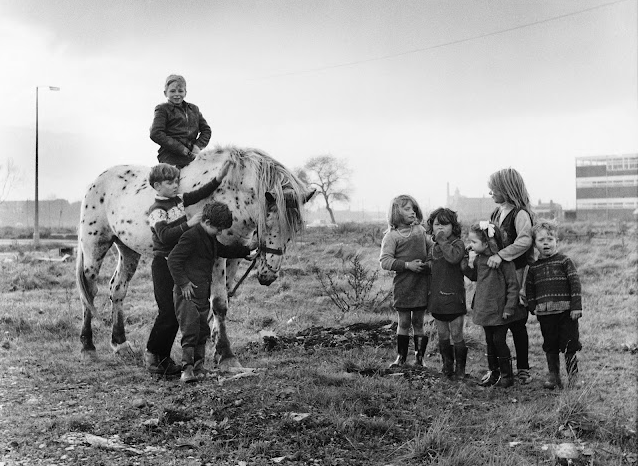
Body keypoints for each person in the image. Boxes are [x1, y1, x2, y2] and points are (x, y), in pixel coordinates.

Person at [144, 158, 234, 377]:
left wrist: (218, 179)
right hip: (164, 264)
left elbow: (199, 193)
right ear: (157, 186)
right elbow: (164, 237)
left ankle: (165, 360)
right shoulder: (156, 210)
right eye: (169, 182)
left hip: (178, 263)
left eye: (176, 181)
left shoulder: (178, 200)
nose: (175, 185)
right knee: (168, 313)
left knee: (179, 314)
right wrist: (189, 224)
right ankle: (154, 357)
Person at [168, 201, 255, 383]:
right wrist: (183, 284)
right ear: (207, 222)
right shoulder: (190, 237)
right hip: (187, 295)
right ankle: (187, 369)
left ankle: (199, 367)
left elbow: (223, 250)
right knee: (190, 331)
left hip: (201, 293)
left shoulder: (210, 238)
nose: (220, 232)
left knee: (202, 330)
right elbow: (173, 260)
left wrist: (247, 249)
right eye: (218, 228)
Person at [487, 168, 536, 384]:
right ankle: (497, 368)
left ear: (506, 190)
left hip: (517, 273)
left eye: (493, 189)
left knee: (517, 323)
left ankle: (523, 368)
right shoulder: (495, 214)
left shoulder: (520, 214)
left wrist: (501, 255)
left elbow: (525, 241)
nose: (490, 194)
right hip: (499, 277)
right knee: (497, 321)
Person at [526, 219, 583, 389]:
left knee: (570, 344)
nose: (546, 243)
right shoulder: (534, 268)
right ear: (535, 244)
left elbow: (575, 283)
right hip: (545, 314)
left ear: (556, 241)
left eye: (550, 239)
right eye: (541, 240)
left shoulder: (565, 261)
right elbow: (529, 289)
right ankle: (553, 376)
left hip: (566, 313)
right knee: (550, 344)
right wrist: (532, 305)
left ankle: (573, 377)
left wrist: (576, 306)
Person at [462, 221, 520, 388]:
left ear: (486, 243)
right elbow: (474, 277)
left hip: (499, 310)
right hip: (485, 308)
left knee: (498, 340)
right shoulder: (480, 259)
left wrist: (509, 308)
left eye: (473, 242)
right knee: (489, 340)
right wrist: (465, 263)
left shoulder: (503, 261)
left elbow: (513, 285)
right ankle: (493, 372)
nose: (470, 245)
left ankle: (507, 375)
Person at [380, 195, 430, 368]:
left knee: (418, 322)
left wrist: (429, 264)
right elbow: (385, 261)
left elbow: (432, 250)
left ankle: (419, 359)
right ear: (396, 212)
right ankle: (401, 358)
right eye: (407, 209)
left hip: (422, 284)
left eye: (413, 208)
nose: (412, 212)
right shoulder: (392, 236)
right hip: (403, 285)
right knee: (404, 322)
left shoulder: (421, 231)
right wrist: (407, 265)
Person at [425, 207, 468, 380]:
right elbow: (431, 263)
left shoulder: (458, 244)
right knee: (443, 334)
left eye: (445, 224)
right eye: (437, 225)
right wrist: (425, 265)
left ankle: (461, 369)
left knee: (457, 333)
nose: (441, 228)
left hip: (454, 296)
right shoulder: (434, 247)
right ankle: (447, 366)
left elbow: (453, 258)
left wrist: (442, 241)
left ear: (454, 226)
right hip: (437, 298)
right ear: (431, 227)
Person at [150, 74, 212, 168]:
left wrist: (197, 146)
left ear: (185, 92)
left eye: (180, 91)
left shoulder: (194, 109)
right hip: (170, 157)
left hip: (192, 157)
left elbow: (206, 130)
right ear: (165, 93)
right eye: (172, 91)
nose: (177, 94)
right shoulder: (162, 109)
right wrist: (181, 149)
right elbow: (156, 133)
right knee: (171, 181)